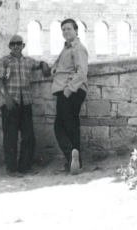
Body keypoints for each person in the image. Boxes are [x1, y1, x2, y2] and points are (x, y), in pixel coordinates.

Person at [0, 35, 51, 177]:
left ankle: (25, 167)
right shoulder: (3, 61)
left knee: (28, 136)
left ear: (23, 45)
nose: (15, 46)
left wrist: (44, 65)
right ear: (9, 46)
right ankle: (12, 170)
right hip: (10, 103)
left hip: (25, 102)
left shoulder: (29, 62)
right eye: (13, 44)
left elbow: (40, 63)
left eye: (18, 43)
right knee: (10, 137)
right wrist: (6, 97)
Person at [52, 19, 88, 175]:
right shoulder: (66, 48)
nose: (66, 32)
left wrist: (69, 90)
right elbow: (59, 65)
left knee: (62, 127)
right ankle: (73, 162)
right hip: (65, 89)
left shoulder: (78, 48)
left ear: (76, 31)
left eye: (68, 29)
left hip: (71, 90)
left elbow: (82, 72)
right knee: (68, 127)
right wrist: (53, 69)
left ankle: (73, 158)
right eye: (63, 30)